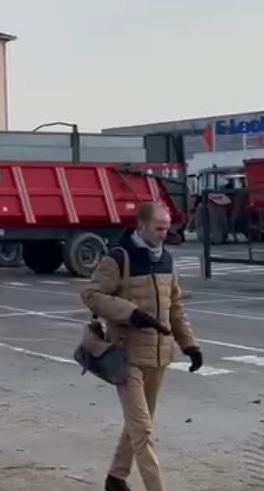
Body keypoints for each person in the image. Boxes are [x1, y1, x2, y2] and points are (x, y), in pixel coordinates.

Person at [80, 201, 202, 491]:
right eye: (158, 228)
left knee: (138, 424)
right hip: (126, 357)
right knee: (143, 429)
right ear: (141, 226)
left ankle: (115, 477)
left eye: (166, 228)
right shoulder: (118, 258)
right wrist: (131, 313)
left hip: (158, 356)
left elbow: (175, 307)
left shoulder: (166, 260)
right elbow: (91, 295)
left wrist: (190, 345)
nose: (163, 234)